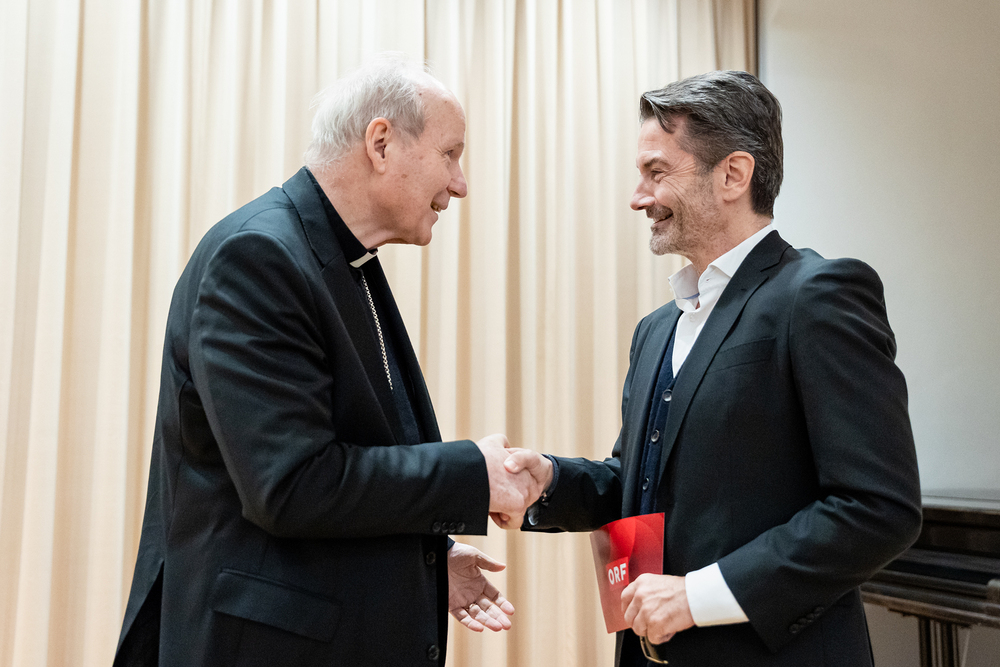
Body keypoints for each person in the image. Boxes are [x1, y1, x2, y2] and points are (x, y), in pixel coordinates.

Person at [114, 54, 543, 666]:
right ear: (380, 143)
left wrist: (422, 557)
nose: (460, 183)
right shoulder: (259, 255)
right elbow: (291, 485)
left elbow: (345, 456)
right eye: (450, 154)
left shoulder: (339, 255)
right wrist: (474, 472)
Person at [503, 70, 922, 666]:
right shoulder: (655, 330)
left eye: (656, 172)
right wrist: (549, 480)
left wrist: (696, 598)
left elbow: (878, 510)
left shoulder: (819, 295)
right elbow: (639, 484)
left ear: (733, 175)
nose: (638, 197)